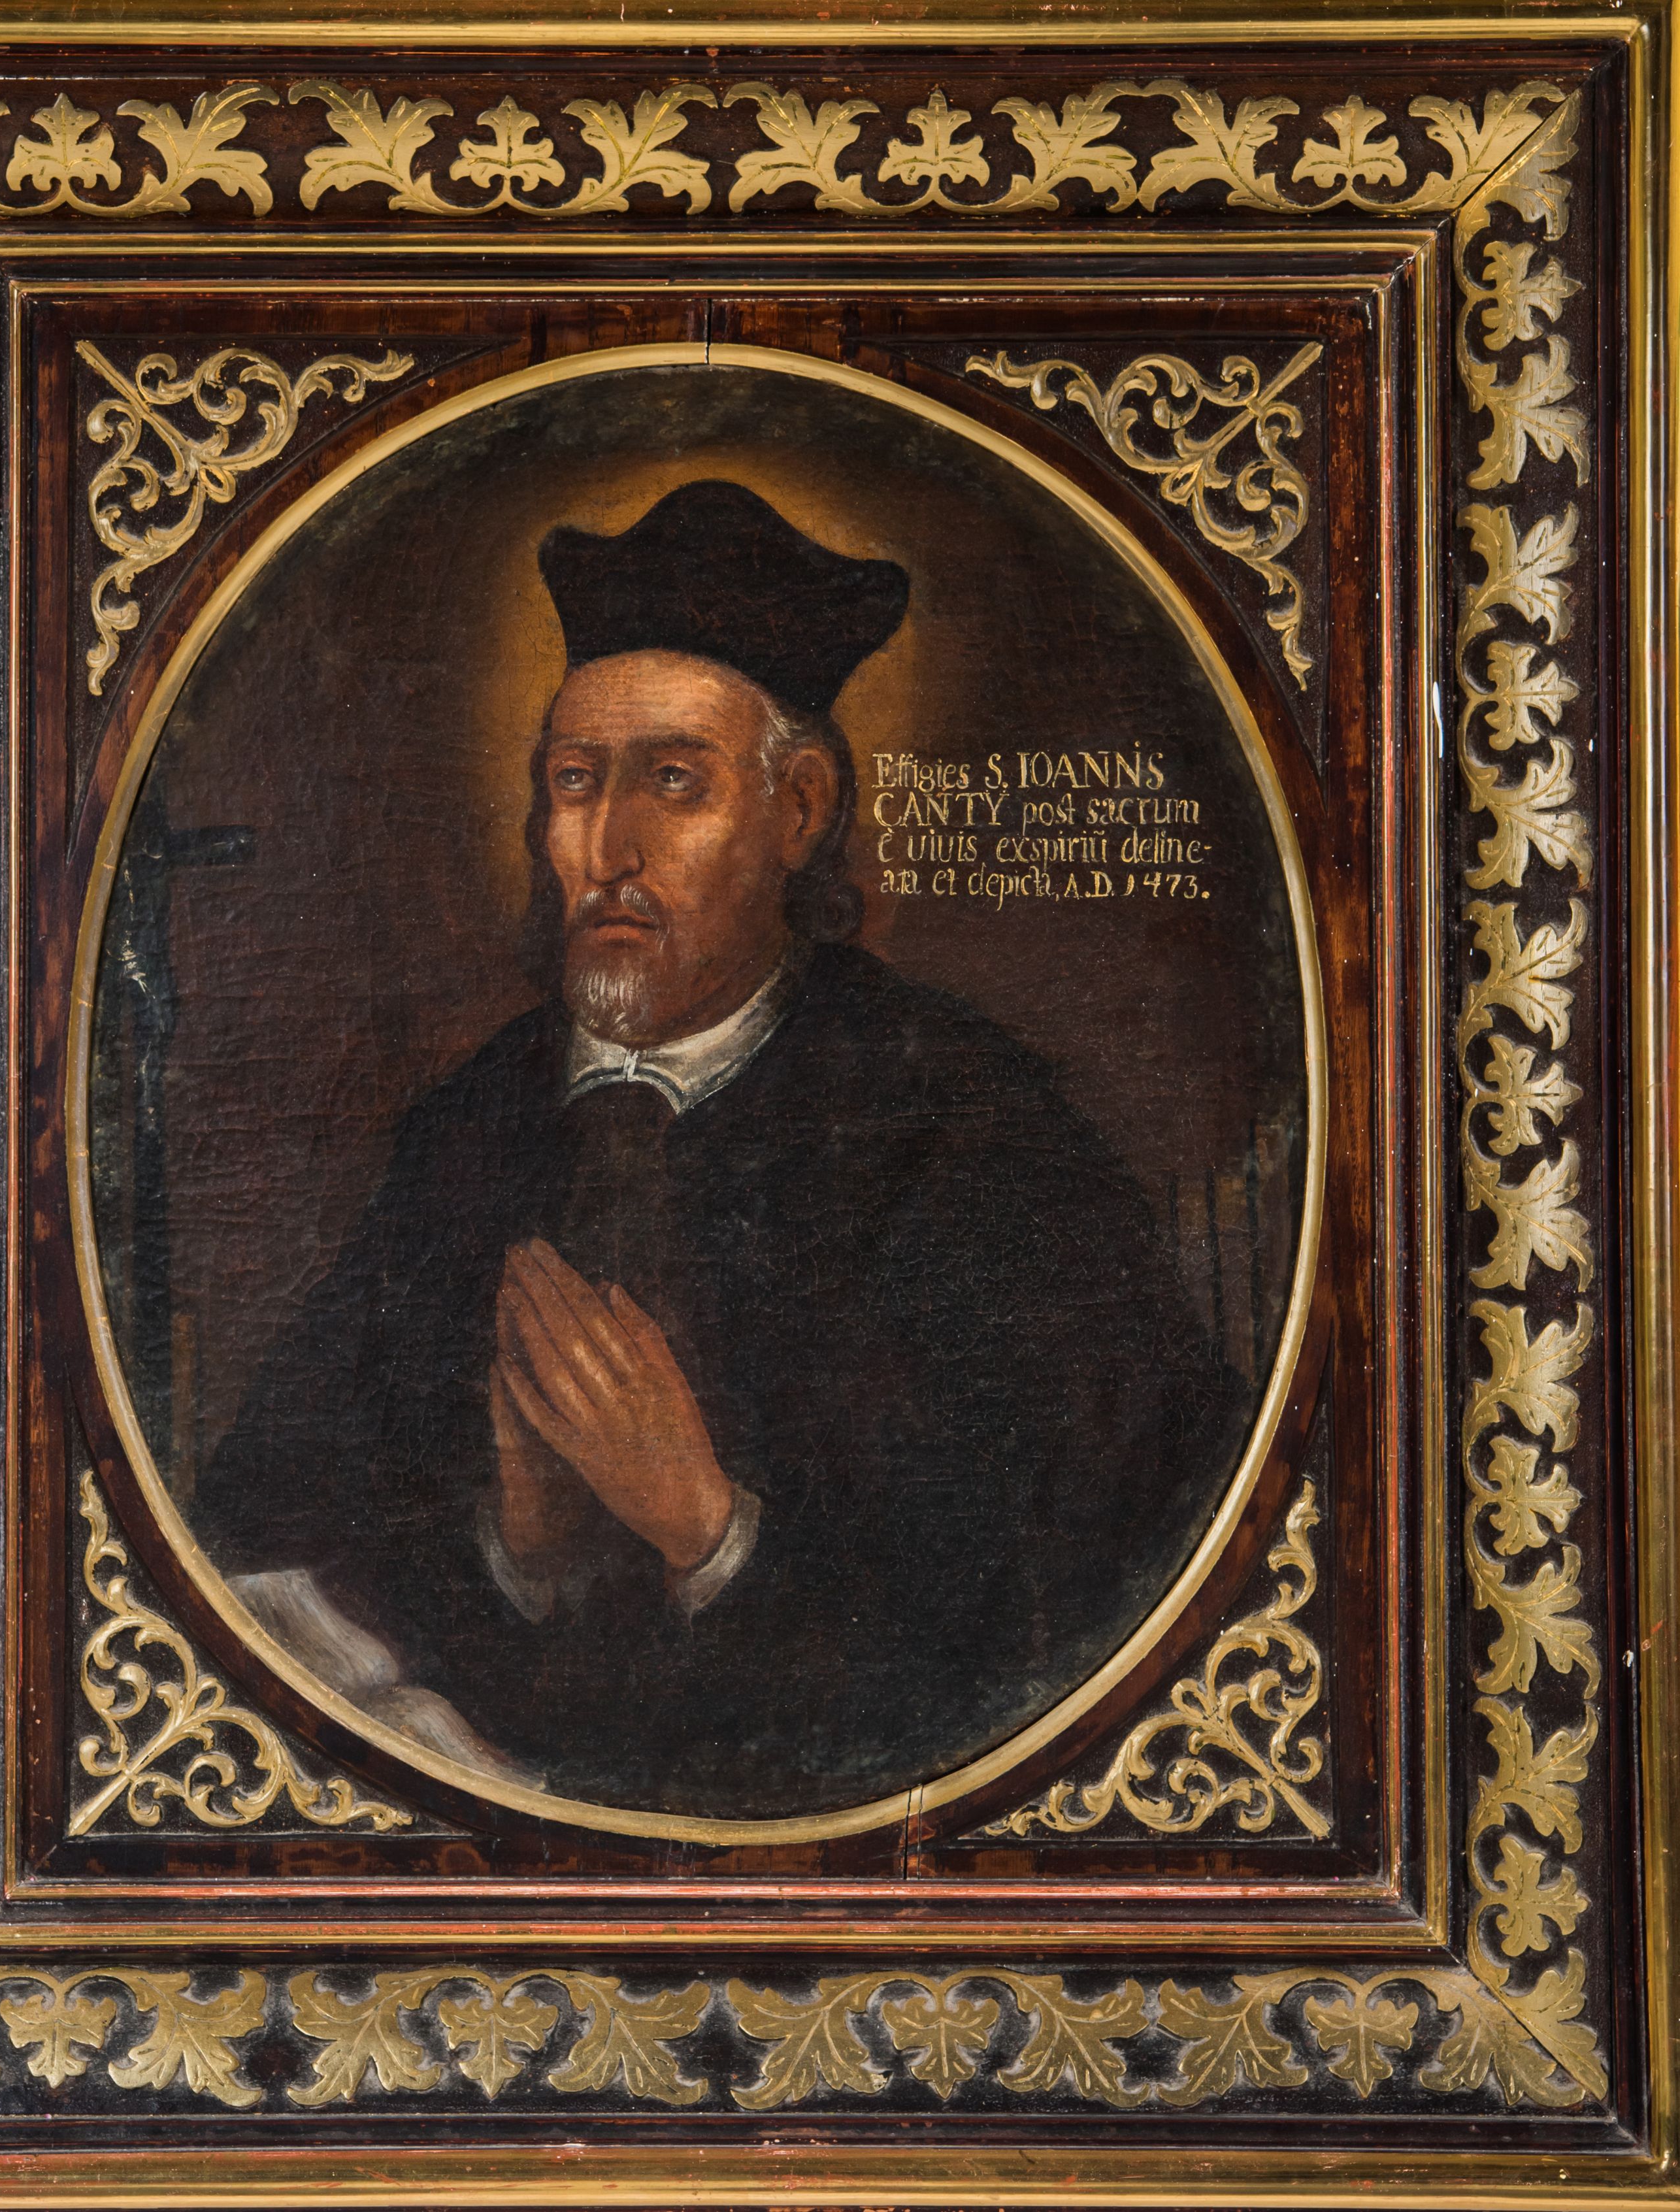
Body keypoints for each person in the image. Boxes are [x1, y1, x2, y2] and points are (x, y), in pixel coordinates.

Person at [194, 480, 1240, 1821]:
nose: (609, 848)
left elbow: (1082, 1610)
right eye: (575, 783)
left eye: (673, 782)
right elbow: (271, 1527)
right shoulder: (471, 1127)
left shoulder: (968, 1123)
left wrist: (705, 1523)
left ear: (798, 811)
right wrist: (516, 1546)